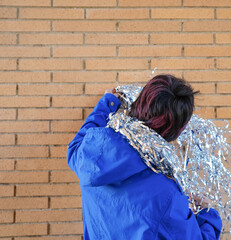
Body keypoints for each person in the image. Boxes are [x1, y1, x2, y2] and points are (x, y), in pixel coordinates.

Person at [67, 74, 222, 240]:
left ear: (138, 105)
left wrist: (108, 103)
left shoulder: (90, 155)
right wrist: (207, 216)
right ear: (179, 130)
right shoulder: (166, 195)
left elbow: (76, 144)